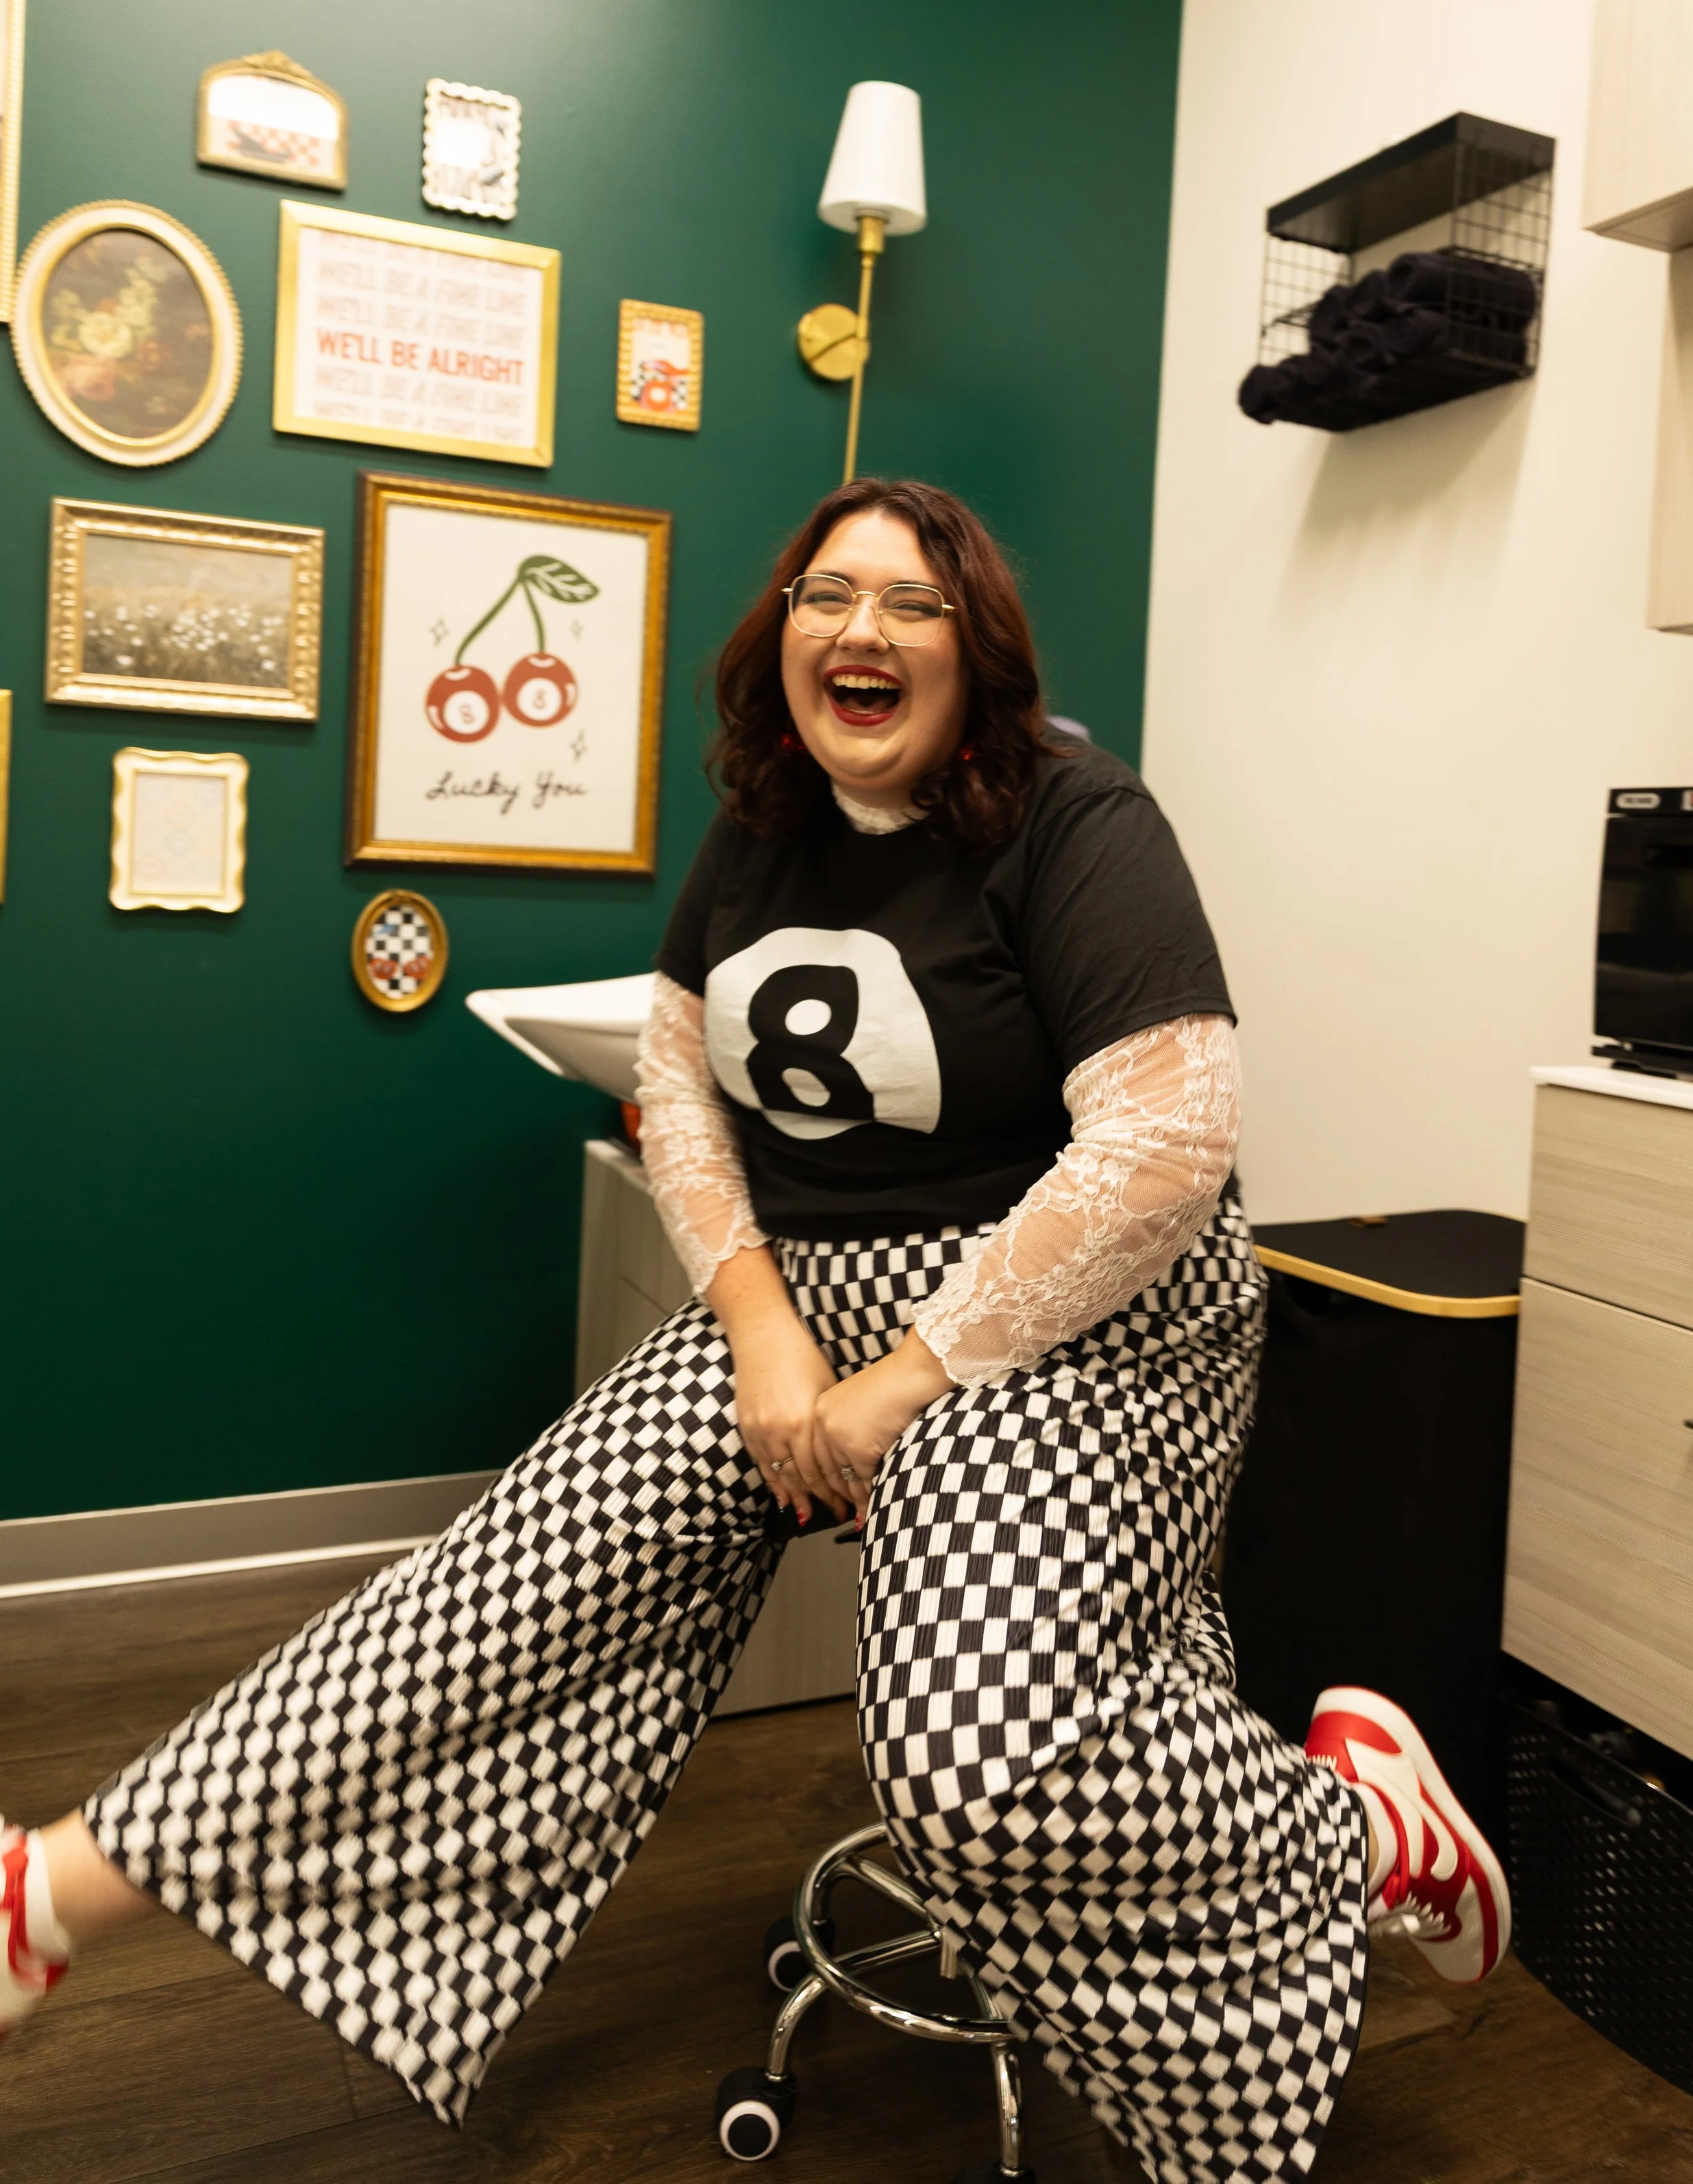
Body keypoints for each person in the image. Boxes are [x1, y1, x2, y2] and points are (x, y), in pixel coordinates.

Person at [1, 478, 1509, 2182]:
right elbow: (678, 1082)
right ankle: (45, 1895)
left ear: (976, 647)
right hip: (808, 1307)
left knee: (973, 1764)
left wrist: (906, 1382)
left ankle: (1351, 1825)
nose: (859, 631)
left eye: (911, 604)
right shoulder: (758, 830)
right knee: (481, 1604)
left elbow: (1167, 1140)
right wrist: (767, 1336)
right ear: (777, 635)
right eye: (823, 596)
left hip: (1073, 1321)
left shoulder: (1075, 818)